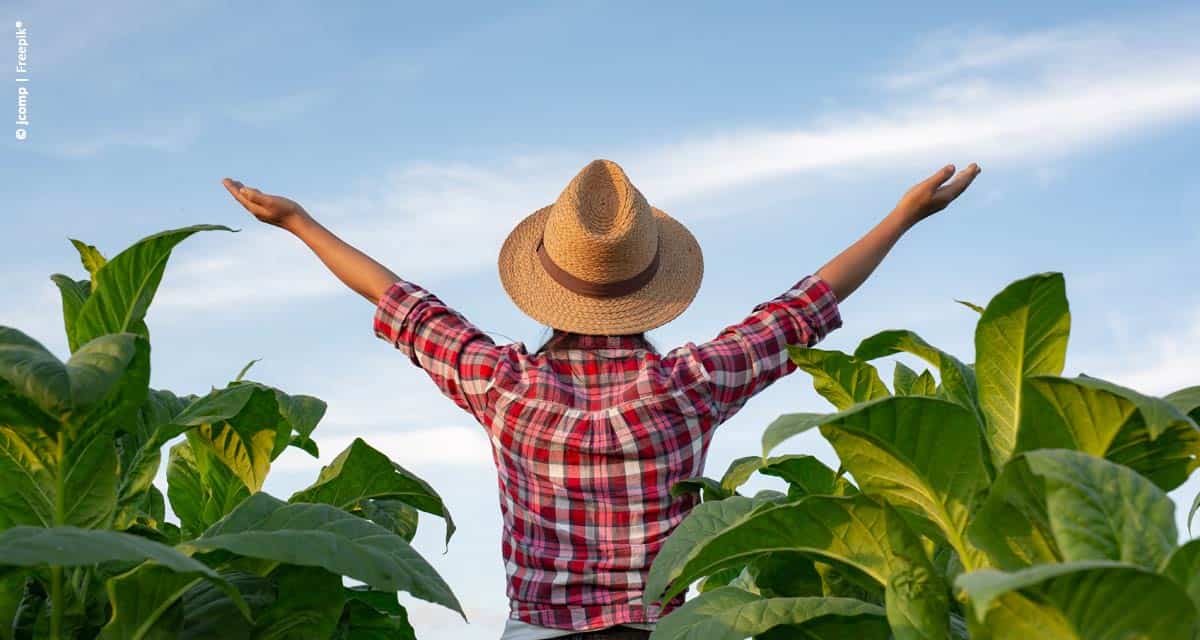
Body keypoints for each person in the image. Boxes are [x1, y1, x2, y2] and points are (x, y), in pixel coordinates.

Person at [222, 158, 980, 640]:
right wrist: (902, 217)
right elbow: (801, 308)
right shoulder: (692, 384)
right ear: (652, 290)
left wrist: (298, 223)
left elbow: (402, 301)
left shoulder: (501, 383)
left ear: (548, 288)